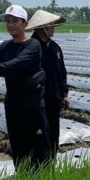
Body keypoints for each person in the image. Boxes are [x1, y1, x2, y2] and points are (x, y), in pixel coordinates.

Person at [0, 5, 52, 169]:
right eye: (8, 21)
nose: (11, 24)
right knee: (18, 148)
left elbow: (16, 65)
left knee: (40, 149)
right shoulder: (5, 47)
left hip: (33, 107)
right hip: (13, 106)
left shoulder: (33, 45)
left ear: (25, 24)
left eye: (15, 21)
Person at [27, 9, 69, 158]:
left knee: (53, 136)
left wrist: (64, 94)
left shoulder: (55, 48)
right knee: (38, 137)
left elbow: (62, 73)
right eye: (50, 25)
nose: (53, 28)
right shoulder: (30, 47)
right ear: (42, 27)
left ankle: (51, 167)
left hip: (53, 100)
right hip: (37, 102)